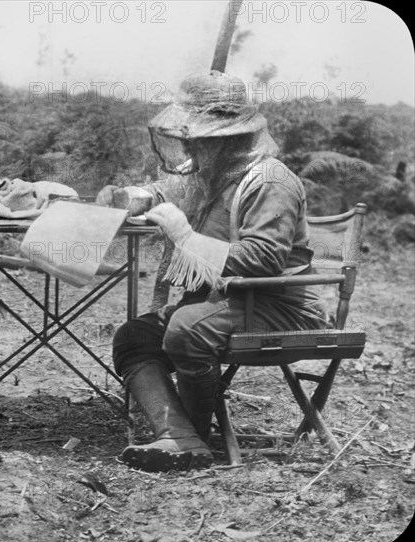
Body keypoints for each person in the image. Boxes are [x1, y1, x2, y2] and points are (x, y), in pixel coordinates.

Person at [96, 71, 328, 472]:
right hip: (230, 300)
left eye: (197, 138)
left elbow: (265, 259)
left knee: (186, 328)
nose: (188, 145)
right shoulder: (215, 172)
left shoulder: (271, 181)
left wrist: (185, 236)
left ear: (227, 139)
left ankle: (196, 437)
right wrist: (138, 196)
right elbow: (176, 188)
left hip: (280, 305)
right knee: (135, 337)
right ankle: (178, 435)